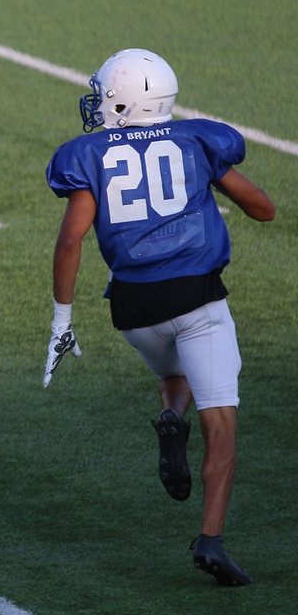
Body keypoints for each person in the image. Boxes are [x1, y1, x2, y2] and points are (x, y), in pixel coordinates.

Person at [42, 48, 274, 585]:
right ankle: (211, 540)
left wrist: (62, 320)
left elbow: (71, 239)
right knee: (223, 426)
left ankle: (171, 417)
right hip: (197, 298)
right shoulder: (197, 141)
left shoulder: (88, 154)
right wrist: (214, 185)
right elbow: (263, 208)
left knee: (174, 372)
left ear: (124, 102)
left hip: (133, 309)